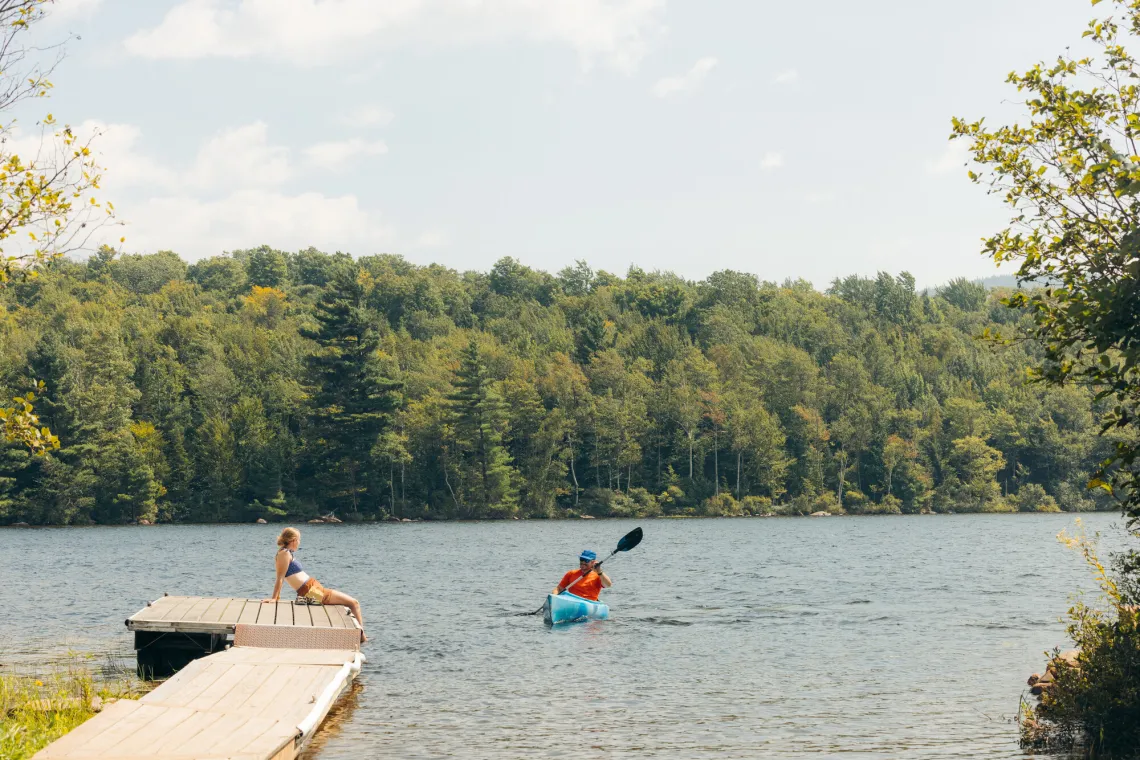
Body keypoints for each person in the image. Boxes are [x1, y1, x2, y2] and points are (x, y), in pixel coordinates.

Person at [265, 527, 367, 643]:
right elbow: (280, 578)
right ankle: (362, 640)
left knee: (352, 603)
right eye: (298, 540)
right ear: (293, 540)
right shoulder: (284, 553)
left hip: (313, 588)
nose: (299, 543)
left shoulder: (286, 552)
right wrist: (274, 598)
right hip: (311, 591)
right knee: (354, 603)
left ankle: (362, 638)